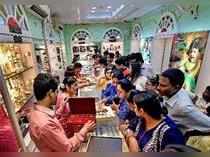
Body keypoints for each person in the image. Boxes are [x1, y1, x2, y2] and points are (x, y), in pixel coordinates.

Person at [27, 73, 95, 152]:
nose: (57, 95)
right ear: (50, 93)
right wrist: (84, 130)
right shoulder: (45, 125)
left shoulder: (36, 113)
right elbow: (67, 148)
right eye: (56, 92)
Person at [158, 68, 210, 134]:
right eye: (159, 84)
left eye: (163, 86)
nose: (158, 88)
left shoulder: (184, 107)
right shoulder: (178, 91)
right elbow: (195, 97)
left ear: (176, 87)